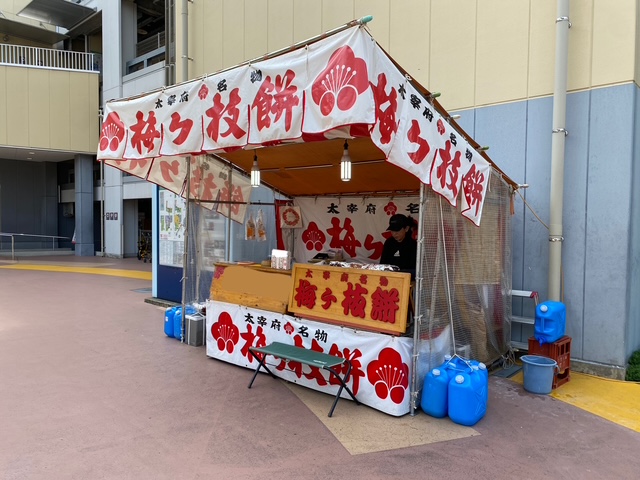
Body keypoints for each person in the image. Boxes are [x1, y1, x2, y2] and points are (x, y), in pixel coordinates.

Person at [380, 213, 417, 278]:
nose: (394, 234)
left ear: (406, 228)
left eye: (397, 231)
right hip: (388, 279)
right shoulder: (389, 243)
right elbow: (382, 264)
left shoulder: (413, 245)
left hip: (406, 280)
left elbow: (414, 270)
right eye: (392, 231)